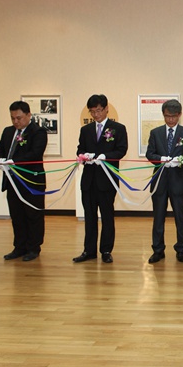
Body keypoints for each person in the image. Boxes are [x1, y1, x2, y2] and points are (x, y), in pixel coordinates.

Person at [74, 94, 129, 264]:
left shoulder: (118, 128)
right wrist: (84, 156)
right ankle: (89, 250)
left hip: (107, 181)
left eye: (98, 110)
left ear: (106, 109)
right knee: (89, 217)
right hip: (88, 181)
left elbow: (121, 150)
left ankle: (106, 250)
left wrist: (105, 156)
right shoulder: (86, 130)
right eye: (92, 111)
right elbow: (80, 149)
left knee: (107, 216)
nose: (96, 114)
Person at [0, 101, 47, 262]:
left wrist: (14, 162)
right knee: (17, 216)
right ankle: (19, 247)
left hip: (31, 181)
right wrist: (0, 160)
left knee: (33, 215)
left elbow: (35, 153)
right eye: (13, 118)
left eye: (19, 118)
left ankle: (33, 248)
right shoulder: (8, 132)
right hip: (12, 181)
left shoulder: (38, 132)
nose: (16, 121)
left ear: (28, 115)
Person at [146, 99, 183, 264]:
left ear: (179, 115)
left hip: (178, 181)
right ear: (163, 115)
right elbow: (150, 154)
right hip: (160, 181)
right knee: (158, 217)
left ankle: (181, 249)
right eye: (167, 116)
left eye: (174, 116)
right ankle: (158, 250)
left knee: (180, 217)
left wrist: (179, 160)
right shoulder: (155, 133)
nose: (171, 120)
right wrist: (161, 159)